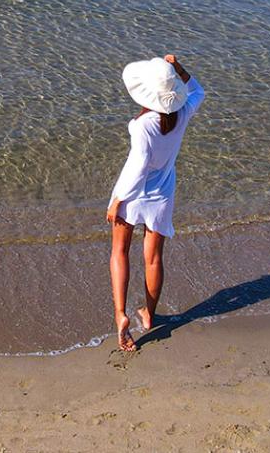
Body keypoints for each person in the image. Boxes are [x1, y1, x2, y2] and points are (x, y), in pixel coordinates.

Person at [106, 54, 205, 351]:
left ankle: (121, 316)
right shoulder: (183, 113)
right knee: (153, 258)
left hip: (133, 194)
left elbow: (137, 168)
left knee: (120, 252)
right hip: (162, 194)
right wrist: (178, 68)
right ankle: (149, 315)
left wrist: (117, 201)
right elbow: (199, 91)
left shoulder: (143, 127)